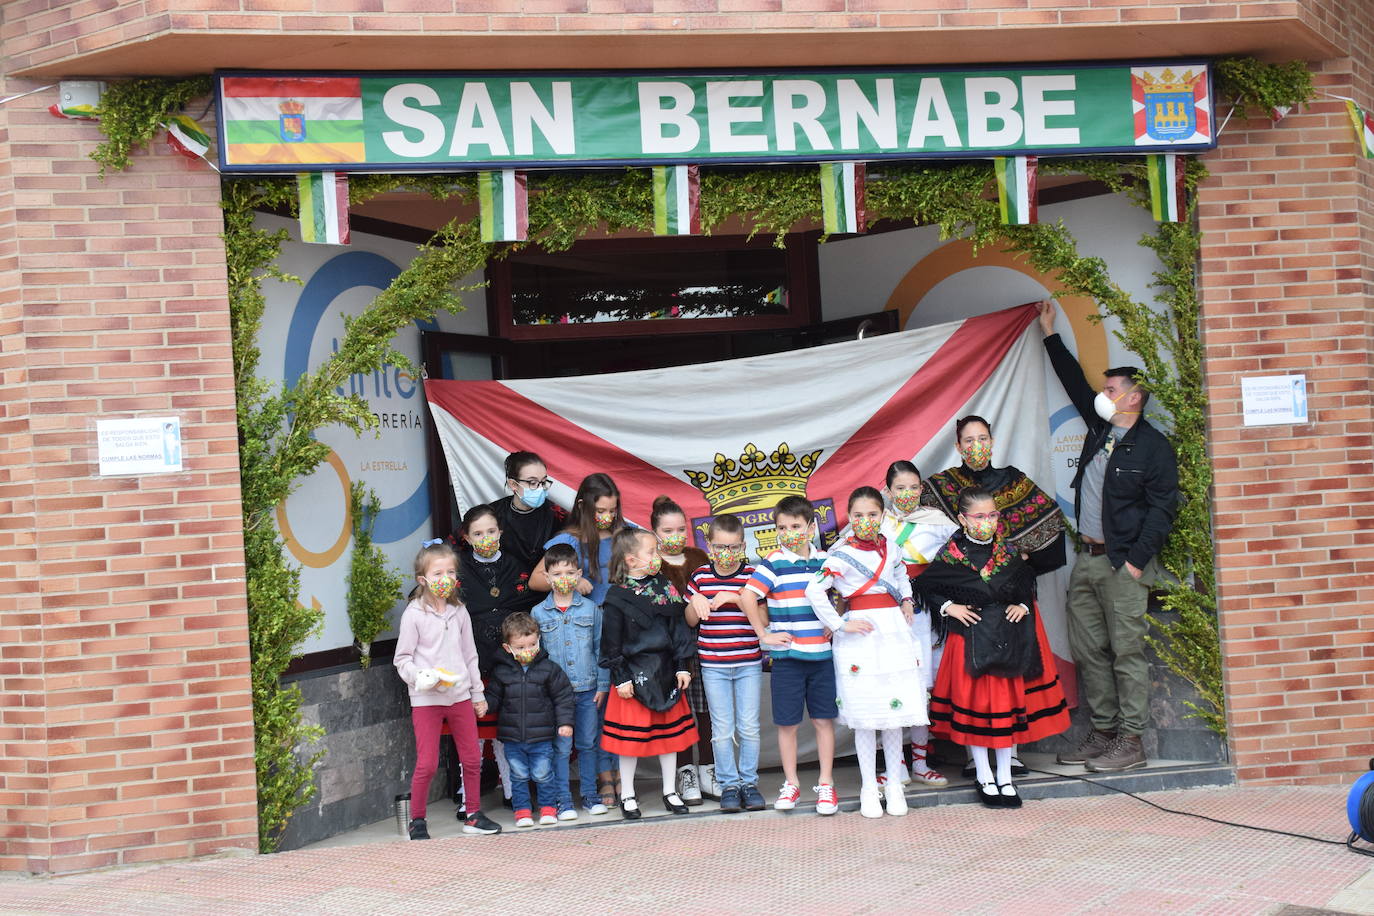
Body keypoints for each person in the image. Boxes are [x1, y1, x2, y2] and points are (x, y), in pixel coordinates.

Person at [1039, 299, 1179, 772]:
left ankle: (1131, 742)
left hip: (1124, 563)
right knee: (1088, 649)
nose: (1103, 393)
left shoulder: (1154, 447)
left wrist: (1138, 561)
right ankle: (1102, 732)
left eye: (1112, 388)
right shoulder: (1101, 429)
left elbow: (1163, 510)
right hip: (1090, 559)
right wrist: (1050, 334)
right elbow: (1075, 384)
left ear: (1134, 397)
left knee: (1126, 652)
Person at [921, 416, 1066, 778]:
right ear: (957, 446)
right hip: (968, 603)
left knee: (1012, 675)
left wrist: (1017, 566)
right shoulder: (940, 487)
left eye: (981, 438)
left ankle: (1011, 753)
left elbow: (1050, 526)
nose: (975, 446)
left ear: (993, 440)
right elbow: (920, 533)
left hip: (1011, 600)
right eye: (968, 440)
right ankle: (975, 758)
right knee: (976, 678)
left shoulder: (1014, 481)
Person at [806, 487, 928, 819]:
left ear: (883, 516)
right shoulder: (839, 553)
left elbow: (902, 574)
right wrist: (841, 623)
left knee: (892, 716)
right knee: (865, 718)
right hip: (859, 639)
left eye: (872, 514)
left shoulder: (892, 548)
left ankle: (894, 788)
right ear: (850, 517)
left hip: (892, 632)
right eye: (858, 516)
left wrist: (906, 600)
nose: (865, 521)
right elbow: (814, 590)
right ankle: (868, 787)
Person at [530, 472, 632, 807]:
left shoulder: (622, 536)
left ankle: (619, 777)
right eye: (601, 510)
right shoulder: (570, 540)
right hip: (582, 629)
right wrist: (573, 583)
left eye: (613, 510)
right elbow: (536, 581)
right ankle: (601, 781)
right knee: (591, 717)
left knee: (615, 709)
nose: (608, 516)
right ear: (584, 507)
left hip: (620, 631)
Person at [737, 495, 839, 816]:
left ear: (811, 527)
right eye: (782, 527)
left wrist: (837, 623)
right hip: (787, 660)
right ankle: (791, 783)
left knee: (824, 721)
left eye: (795, 526)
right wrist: (762, 635)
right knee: (787, 725)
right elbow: (746, 596)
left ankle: (826, 784)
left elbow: (845, 594)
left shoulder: (827, 561)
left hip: (822, 658)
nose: (789, 532)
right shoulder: (772, 562)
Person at [393, 540, 501, 839]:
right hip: (427, 699)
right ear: (423, 579)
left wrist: (477, 693)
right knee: (427, 762)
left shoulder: (460, 611)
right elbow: (401, 659)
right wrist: (419, 677)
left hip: (460, 696)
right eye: (437, 573)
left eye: (450, 572)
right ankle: (417, 819)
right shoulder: (414, 614)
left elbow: (470, 655)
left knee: (471, 758)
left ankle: (474, 814)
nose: (445, 579)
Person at [599, 529, 700, 820]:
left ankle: (670, 791)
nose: (657, 557)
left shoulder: (666, 588)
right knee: (629, 742)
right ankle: (627, 794)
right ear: (631, 560)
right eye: (651, 552)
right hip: (632, 676)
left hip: (665, 671)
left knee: (669, 738)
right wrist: (621, 677)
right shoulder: (617, 597)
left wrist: (682, 664)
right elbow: (610, 641)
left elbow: (679, 629)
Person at [881, 460, 960, 788]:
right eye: (900, 488)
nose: (908, 494)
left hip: (925, 614)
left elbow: (961, 559)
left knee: (920, 689)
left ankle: (921, 762)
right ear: (888, 491)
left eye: (914, 487)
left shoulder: (938, 522)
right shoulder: (875, 520)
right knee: (891, 688)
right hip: (887, 615)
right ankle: (894, 764)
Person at [455, 504, 539, 812]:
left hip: (509, 662)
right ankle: (469, 794)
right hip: (472, 663)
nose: (486, 538)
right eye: (478, 533)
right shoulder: (457, 569)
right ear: (467, 537)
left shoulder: (517, 566)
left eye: (491, 531)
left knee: (505, 731)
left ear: (500, 533)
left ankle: (511, 788)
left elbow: (528, 604)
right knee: (471, 733)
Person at [684, 513, 765, 813]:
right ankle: (729, 784)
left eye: (733, 548)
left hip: (747, 663)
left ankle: (749, 783)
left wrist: (735, 598)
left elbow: (764, 619)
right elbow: (691, 621)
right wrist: (695, 604)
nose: (726, 555)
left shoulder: (753, 576)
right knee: (721, 728)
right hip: (713, 664)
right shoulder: (700, 577)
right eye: (720, 548)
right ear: (708, 545)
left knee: (748, 727)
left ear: (743, 546)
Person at [531, 542, 612, 818]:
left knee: (588, 743)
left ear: (578, 575)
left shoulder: (591, 610)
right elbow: (536, 657)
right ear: (547, 578)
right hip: (555, 695)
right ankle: (562, 799)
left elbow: (601, 649)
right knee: (561, 747)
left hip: (588, 689)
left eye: (569, 573)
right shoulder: (538, 614)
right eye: (556, 574)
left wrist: (602, 685)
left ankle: (590, 795)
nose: (563, 579)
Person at [483, 612, 576, 828]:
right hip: (513, 736)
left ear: (539, 640)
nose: (528, 651)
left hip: (542, 736)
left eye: (532, 644)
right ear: (508, 648)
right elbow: (494, 696)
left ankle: (548, 808)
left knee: (543, 774)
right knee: (518, 775)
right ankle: (522, 811)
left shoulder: (549, 669)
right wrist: (485, 705)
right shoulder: (501, 672)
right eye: (521, 647)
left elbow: (563, 697)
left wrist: (565, 723)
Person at [650, 494, 713, 806]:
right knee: (680, 711)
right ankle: (685, 772)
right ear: (654, 533)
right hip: (671, 650)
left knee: (705, 710)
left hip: (705, 644)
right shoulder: (652, 563)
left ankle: (708, 769)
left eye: (680, 530)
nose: (675, 537)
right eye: (668, 531)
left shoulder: (698, 557)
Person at [490, 450, 566, 573]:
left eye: (543, 482)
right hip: (504, 585)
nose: (540, 488)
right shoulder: (493, 514)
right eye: (533, 482)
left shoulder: (557, 515)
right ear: (513, 484)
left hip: (545, 584)